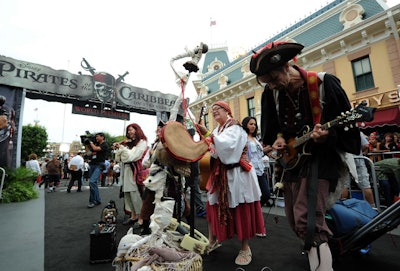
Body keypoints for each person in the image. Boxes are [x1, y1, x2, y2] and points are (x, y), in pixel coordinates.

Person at [250, 41, 361, 271]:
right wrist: (278, 139)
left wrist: (327, 136)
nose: (271, 86)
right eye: (267, 82)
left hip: (321, 159)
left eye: (273, 79)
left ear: (287, 66)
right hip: (293, 162)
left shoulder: (322, 83)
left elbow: (348, 129)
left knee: (308, 220)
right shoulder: (272, 93)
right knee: (295, 220)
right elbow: (273, 130)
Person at [196, 101, 266, 266]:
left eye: (217, 109)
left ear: (227, 110)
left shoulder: (235, 128)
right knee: (213, 205)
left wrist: (209, 136)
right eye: (212, 111)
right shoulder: (217, 130)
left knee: (242, 208)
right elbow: (213, 150)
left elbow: (226, 147)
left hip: (237, 174)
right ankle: (212, 240)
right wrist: (205, 139)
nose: (214, 112)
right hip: (220, 175)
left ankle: (245, 247)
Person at [114, 123, 148, 225]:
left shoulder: (142, 142)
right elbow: (118, 159)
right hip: (126, 170)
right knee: (127, 193)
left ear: (137, 130)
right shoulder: (128, 143)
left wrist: (122, 149)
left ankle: (141, 217)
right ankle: (134, 215)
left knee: (135, 193)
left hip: (135, 171)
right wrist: (121, 150)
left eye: (131, 130)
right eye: (128, 130)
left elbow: (131, 157)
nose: (129, 132)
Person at [242, 116, 271, 211]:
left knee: (266, 194)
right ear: (245, 125)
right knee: (256, 195)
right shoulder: (243, 138)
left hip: (260, 170)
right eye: (251, 124)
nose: (253, 126)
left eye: (254, 124)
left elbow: (260, 152)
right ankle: (254, 214)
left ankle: (255, 213)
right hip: (250, 171)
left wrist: (268, 149)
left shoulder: (255, 138)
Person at [341, 132, 375, 206]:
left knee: (344, 185)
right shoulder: (357, 132)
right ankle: (373, 208)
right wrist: (360, 152)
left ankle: (344, 207)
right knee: (365, 185)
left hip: (345, 161)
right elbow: (366, 145)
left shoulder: (339, 132)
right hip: (358, 161)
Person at [86, 132, 109, 208]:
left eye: (97, 137)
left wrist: (90, 142)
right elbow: (88, 153)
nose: (96, 138)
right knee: (93, 183)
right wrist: (87, 144)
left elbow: (96, 149)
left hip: (99, 165)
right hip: (92, 165)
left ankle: (92, 201)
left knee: (92, 181)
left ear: (102, 137)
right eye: (95, 137)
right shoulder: (94, 144)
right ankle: (98, 200)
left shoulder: (104, 144)